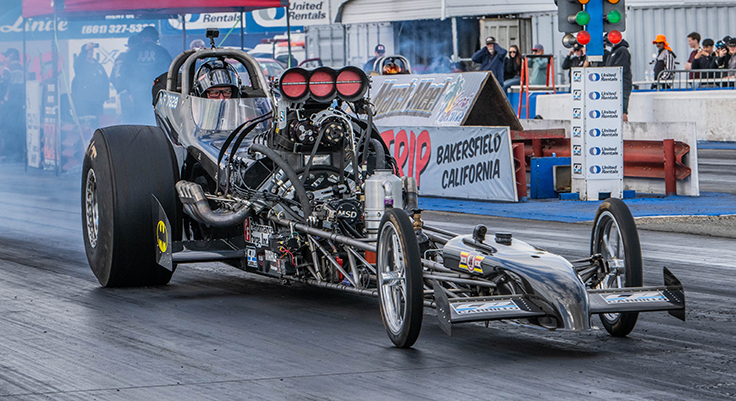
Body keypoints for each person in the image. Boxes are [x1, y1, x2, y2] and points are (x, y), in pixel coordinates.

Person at [120, 26, 172, 124]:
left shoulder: (133, 51)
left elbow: (124, 72)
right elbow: (169, 72)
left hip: (138, 92)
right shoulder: (162, 51)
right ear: (156, 38)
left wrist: (129, 91)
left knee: (140, 118)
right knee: (157, 117)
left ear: (142, 37)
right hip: (157, 91)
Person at [71, 43, 110, 124]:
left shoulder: (98, 66)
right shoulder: (80, 65)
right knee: (86, 124)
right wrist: (85, 49)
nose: (90, 52)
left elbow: (105, 81)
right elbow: (77, 63)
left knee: (97, 123)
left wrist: (105, 96)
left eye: (91, 50)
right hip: (84, 101)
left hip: (97, 101)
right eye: (88, 50)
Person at [0, 48, 25, 162]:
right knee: (18, 128)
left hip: (9, 104)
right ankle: (19, 153)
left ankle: (10, 154)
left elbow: (4, 86)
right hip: (20, 103)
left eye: (6, 56)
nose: (5, 59)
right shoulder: (22, 69)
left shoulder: (8, 69)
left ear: (11, 56)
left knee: (7, 128)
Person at [605, 39, 632, 122]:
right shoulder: (613, 52)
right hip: (613, 83)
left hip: (623, 83)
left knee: (622, 110)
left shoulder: (622, 50)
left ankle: (624, 126)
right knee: (615, 108)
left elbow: (622, 67)